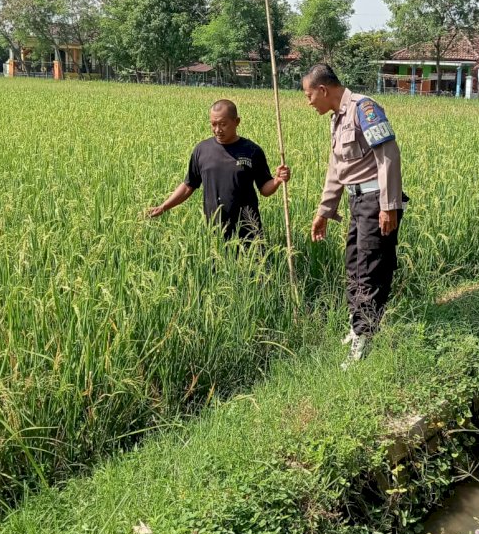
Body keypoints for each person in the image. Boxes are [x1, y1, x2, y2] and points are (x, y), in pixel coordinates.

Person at [303, 63, 405, 363]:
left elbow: (388, 156)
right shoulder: (337, 119)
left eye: (309, 95)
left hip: (376, 201)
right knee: (354, 265)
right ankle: (359, 325)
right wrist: (324, 211)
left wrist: (389, 205)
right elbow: (338, 170)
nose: (308, 102)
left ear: (323, 90)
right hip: (356, 201)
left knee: (371, 268)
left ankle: (364, 339)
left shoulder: (365, 108)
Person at [147, 99, 290, 241]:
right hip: (214, 232)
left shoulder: (252, 151)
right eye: (213, 124)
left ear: (237, 121)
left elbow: (265, 189)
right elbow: (188, 185)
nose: (217, 130)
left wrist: (277, 180)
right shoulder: (202, 150)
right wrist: (164, 206)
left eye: (223, 124)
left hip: (248, 231)